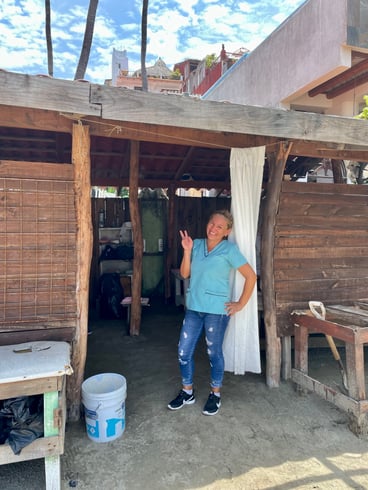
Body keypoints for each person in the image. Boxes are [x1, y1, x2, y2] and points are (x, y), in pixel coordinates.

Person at [168, 209, 257, 416]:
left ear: (227, 231)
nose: (213, 229)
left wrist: (240, 304)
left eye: (219, 227)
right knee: (183, 352)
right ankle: (187, 391)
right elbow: (184, 274)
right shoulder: (196, 244)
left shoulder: (229, 250)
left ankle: (215, 393)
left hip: (216, 312)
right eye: (211, 224)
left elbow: (251, 277)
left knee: (213, 353)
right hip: (194, 308)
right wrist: (187, 251)